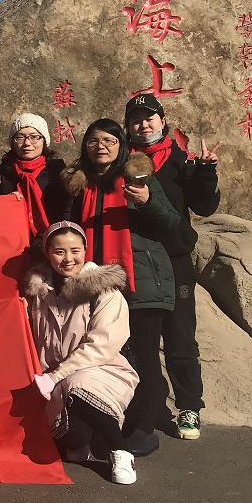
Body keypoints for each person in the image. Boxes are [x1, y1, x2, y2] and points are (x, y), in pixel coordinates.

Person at [63, 118, 183, 458]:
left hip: (138, 282)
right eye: (93, 140)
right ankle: (108, 424)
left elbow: (171, 223)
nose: (100, 146)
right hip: (92, 284)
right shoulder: (77, 184)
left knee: (144, 356)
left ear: (121, 145)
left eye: (109, 141)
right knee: (100, 356)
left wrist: (146, 200)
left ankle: (144, 427)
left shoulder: (138, 177)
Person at [125, 94, 220, 441]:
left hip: (175, 258)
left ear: (163, 122)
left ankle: (189, 406)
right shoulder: (122, 162)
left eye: (149, 118)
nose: (143, 125)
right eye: (136, 120)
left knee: (180, 335)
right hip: (137, 261)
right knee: (141, 339)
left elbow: (205, 206)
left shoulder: (182, 162)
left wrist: (206, 172)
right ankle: (144, 404)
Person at [23, 221, 139, 484]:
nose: (68, 259)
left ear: (85, 250)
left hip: (100, 372)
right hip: (51, 380)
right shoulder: (37, 291)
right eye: (59, 251)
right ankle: (80, 441)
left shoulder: (104, 290)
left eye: (75, 251)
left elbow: (102, 344)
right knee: (73, 445)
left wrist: (56, 375)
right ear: (47, 253)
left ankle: (120, 450)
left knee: (77, 384)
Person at [0, 113, 69, 248]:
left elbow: (68, 210)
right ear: (12, 142)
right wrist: (4, 202)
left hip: (53, 244)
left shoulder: (58, 172)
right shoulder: (2, 174)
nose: (27, 143)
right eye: (20, 137)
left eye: (34, 137)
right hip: (13, 244)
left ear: (44, 140)